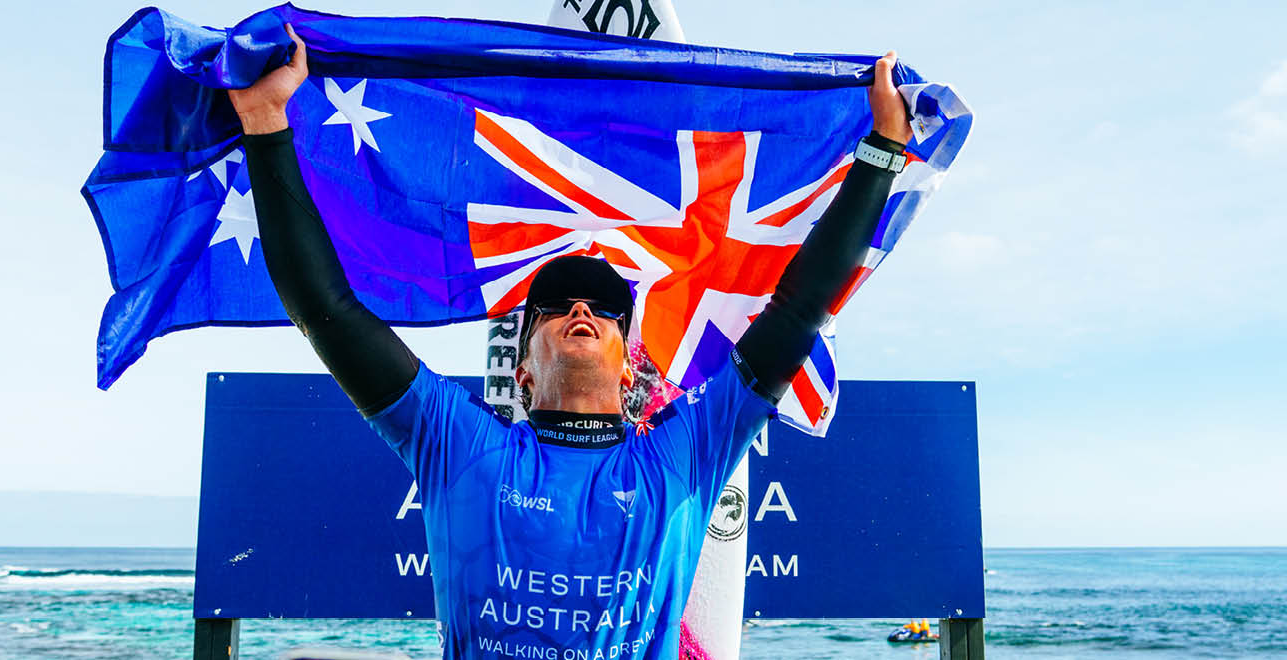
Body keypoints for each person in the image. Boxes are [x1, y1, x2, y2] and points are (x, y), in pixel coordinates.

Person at [228, 24, 913, 660]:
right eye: (553, 307)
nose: (583, 307)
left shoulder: (685, 454)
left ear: (628, 369)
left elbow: (794, 315)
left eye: (608, 310)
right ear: (521, 372)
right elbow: (326, 309)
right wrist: (265, 125)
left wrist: (881, 153)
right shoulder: (455, 443)